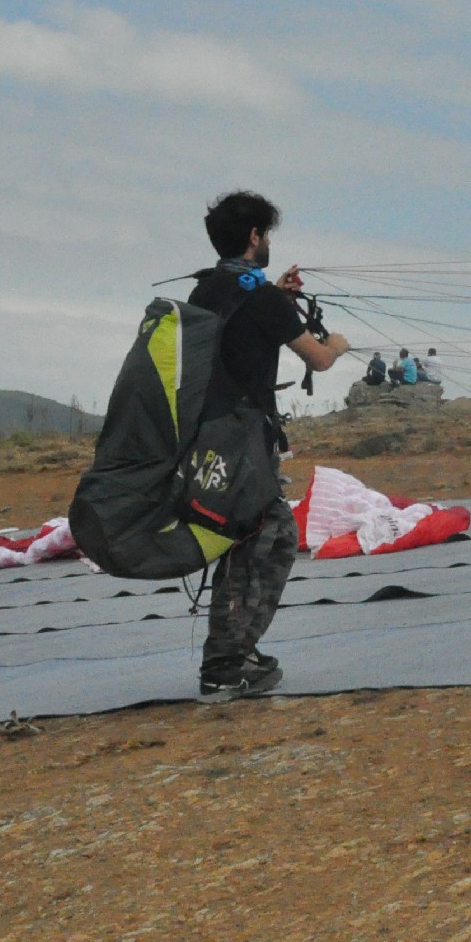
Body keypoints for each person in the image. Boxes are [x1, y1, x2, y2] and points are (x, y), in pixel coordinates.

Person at [189, 189, 349, 703]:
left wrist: (276, 295)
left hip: (209, 437)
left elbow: (243, 328)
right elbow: (319, 359)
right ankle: (224, 664)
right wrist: (338, 345)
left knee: (272, 534)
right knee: (258, 537)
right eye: (267, 234)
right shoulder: (258, 299)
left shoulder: (209, 290)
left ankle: (239, 653)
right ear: (255, 237)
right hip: (242, 441)